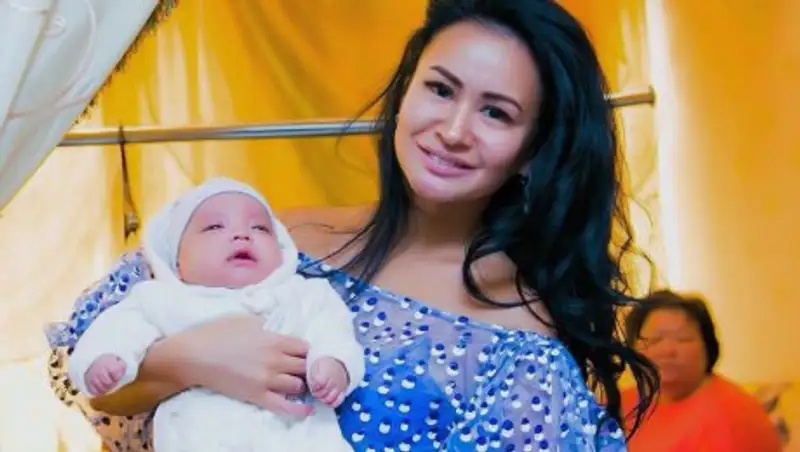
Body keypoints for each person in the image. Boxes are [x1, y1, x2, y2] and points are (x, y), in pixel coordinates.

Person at [46, 0, 659, 450]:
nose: (453, 130)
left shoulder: (521, 346)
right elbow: (87, 372)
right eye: (440, 89)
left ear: (533, 150)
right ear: (405, 92)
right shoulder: (277, 240)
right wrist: (192, 360)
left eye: (496, 113)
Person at [67, 178, 363, 452]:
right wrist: (104, 359)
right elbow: (118, 330)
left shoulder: (305, 294)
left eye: (260, 228)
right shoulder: (161, 299)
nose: (241, 235)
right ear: (177, 262)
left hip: (297, 436)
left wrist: (333, 364)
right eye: (214, 227)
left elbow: (333, 330)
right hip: (202, 437)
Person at [621, 290, 782, 451]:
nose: (667, 350)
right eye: (654, 340)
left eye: (683, 339)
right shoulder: (620, 404)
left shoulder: (734, 415)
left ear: (708, 348)